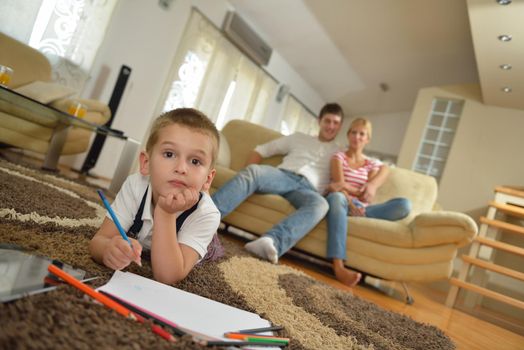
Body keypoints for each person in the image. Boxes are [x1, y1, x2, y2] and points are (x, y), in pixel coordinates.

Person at [89, 108, 221, 284]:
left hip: (199, 239)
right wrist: (107, 249)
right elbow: (99, 240)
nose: (181, 168)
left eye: (195, 161)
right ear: (146, 163)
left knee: (214, 251)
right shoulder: (136, 185)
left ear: (208, 179)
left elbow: (168, 276)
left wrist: (166, 214)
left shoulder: (207, 214)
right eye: (169, 154)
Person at [212, 103, 344, 264]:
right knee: (254, 171)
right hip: (282, 176)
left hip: (309, 190)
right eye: (327, 121)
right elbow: (261, 150)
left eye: (335, 123)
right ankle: (205, 219)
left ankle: (271, 242)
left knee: (321, 205)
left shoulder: (340, 153)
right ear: (319, 121)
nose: (331, 126)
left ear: (340, 126)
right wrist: (246, 172)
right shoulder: (298, 138)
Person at [325, 118, 411, 287]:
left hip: (362, 209)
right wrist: (352, 199)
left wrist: (370, 186)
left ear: (367, 139)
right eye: (353, 132)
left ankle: (361, 214)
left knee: (404, 205)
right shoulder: (338, 157)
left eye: (361, 134)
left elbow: (367, 195)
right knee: (336, 197)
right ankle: (339, 266)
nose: (357, 137)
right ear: (348, 135)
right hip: (341, 204)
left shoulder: (371, 164)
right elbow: (339, 187)